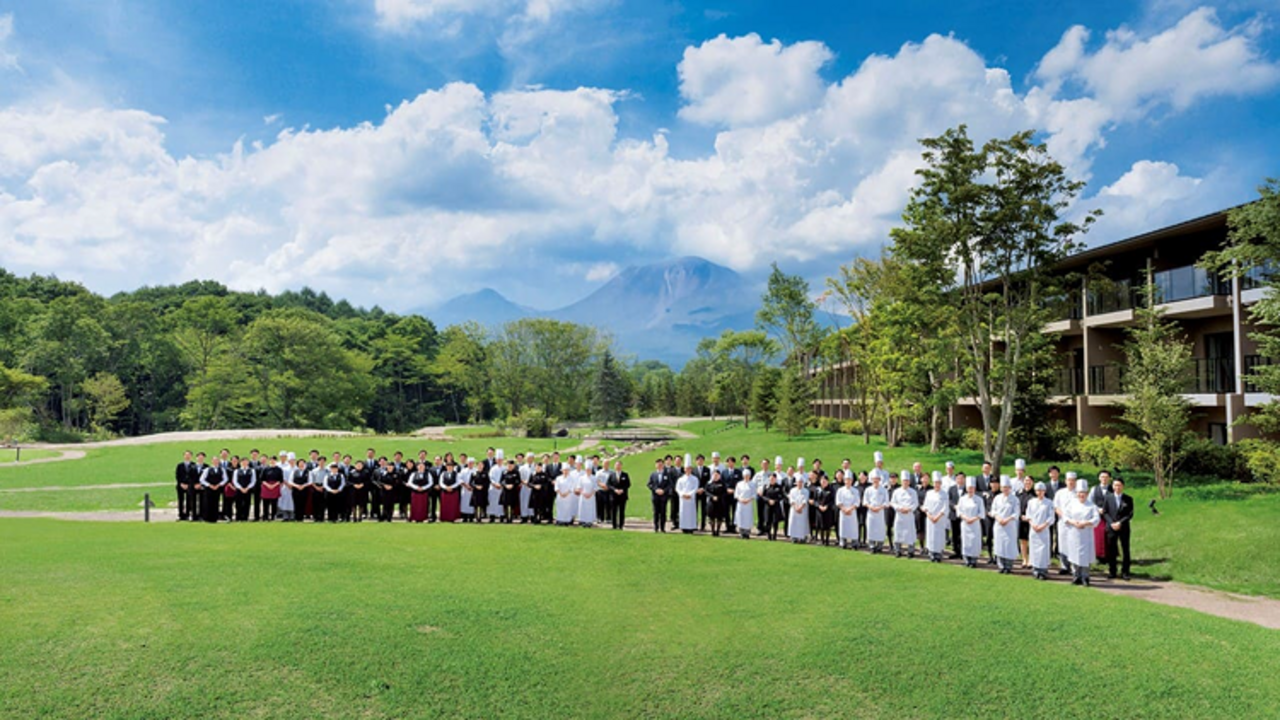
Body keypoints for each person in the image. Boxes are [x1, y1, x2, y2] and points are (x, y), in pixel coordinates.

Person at [1065, 480, 1101, 586]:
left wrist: (1086, 523)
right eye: (1080, 493)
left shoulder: (1091, 506)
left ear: (1087, 494)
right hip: (1074, 533)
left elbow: (1096, 519)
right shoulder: (1072, 504)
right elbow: (1066, 516)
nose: (1081, 495)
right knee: (1074, 555)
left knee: (1085, 556)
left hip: (1086, 534)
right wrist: (1073, 522)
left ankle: (1085, 577)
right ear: (1077, 494)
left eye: (1083, 493)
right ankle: (1076, 576)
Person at [1103, 477, 1134, 580]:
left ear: (1123, 486)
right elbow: (1105, 512)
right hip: (1111, 527)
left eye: (1119, 485)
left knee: (1125, 550)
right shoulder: (1108, 498)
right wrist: (1112, 523)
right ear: (1112, 486)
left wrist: (1120, 522)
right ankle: (1112, 571)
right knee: (1111, 550)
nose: (1117, 487)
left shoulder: (1128, 499)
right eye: (1115, 485)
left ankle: (1125, 572)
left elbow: (1130, 514)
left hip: (1123, 527)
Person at [1024, 482, 1055, 580]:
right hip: (1033, 530)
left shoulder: (1049, 502)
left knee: (1043, 550)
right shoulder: (1031, 502)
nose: (1039, 492)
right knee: (1034, 550)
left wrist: (1043, 525)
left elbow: (1051, 517)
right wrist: (1033, 525)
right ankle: (1035, 570)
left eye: (1041, 490)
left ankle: (1043, 571)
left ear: (1044, 491)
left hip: (1044, 530)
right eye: (1037, 490)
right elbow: (1028, 515)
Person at [990, 476, 1020, 574]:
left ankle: (1008, 566)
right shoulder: (997, 498)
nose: (1005, 489)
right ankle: (1001, 566)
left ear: (1010, 488)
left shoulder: (1015, 499)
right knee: (999, 545)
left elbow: (1016, 513)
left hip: (1009, 525)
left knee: (1008, 545)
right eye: (1003, 487)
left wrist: (1007, 519)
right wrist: (998, 518)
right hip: (999, 525)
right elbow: (993, 510)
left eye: (1007, 487)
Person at [957, 478, 985, 568]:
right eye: (969, 488)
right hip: (965, 524)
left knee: (974, 542)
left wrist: (973, 519)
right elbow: (959, 511)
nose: (970, 490)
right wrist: (965, 518)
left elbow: (982, 513)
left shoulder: (979, 500)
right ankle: (966, 560)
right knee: (966, 542)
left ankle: (974, 560)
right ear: (966, 488)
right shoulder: (962, 499)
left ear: (975, 488)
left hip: (975, 524)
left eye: (972, 488)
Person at [1054, 471, 1078, 574]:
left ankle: (1074, 567)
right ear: (1065, 481)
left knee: (1074, 544)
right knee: (1063, 544)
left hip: (1074, 523)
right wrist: (1064, 517)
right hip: (1062, 522)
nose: (1071, 482)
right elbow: (1056, 507)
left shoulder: (1079, 492)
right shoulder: (1060, 493)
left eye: (1073, 480)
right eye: (1069, 480)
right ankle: (1064, 566)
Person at [890, 471, 918, 557]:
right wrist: (899, 508)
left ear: (909, 482)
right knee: (898, 532)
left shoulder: (913, 492)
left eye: (907, 481)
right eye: (904, 481)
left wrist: (909, 509)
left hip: (909, 515)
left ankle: (910, 551)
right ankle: (897, 550)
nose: (905, 482)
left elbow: (915, 503)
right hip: (899, 515)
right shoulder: (896, 492)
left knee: (910, 533)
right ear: (901, 481)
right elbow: (892, 502)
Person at [922, 474, 949, 562]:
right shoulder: (929, 493)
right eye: (935, 483)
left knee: (939, 536)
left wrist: (938, 517)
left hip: (939, 519)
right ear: (933, 483)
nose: (937, 484)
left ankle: (938, 554)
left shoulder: (944, 494)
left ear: (941, 483)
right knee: (930, 536)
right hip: (930, 518)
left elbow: (945, 507)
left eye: (938, 483)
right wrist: (929, 515)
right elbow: (925, 505)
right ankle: (931, 554)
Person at [863, 472, 888, 553]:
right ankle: (872, 545)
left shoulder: (884, 490)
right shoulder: (868, 490)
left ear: (880, 480)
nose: (875, 481)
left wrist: (879, 507)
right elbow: (865, 501)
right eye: (874, 479)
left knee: (880, 528)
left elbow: (886, 502)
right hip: (871, 512)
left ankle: (880, 545)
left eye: (877, 479)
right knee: (871, 528)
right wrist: (871, 507)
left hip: (880, 512)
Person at [836, 472, 860, 550]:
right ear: (844, 480)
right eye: (846, 480)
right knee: (843, 527)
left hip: (852, 512)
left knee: (853, 527)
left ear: (852, 480)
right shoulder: (840, 490)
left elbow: (857, 502)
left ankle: (854, 543)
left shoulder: (855, 491)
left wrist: (850, 509)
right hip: (843, 512)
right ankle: (843, 542)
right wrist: (844, 509)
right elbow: (838, 501)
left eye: (849, 479)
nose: (848, 481)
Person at [198, 459, 227, 523]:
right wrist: (209, 485)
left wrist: (219, 485)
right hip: (208, 489)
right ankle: (207, 517)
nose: (215, 462)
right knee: (208, 503)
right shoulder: (207, 469)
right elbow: (202, 479)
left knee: (216, 503)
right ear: (212, 462)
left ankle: (215, 517)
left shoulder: (222, 470)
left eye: (217, 461)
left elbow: (225, 479)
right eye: (214, 461)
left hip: (217, 488)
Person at [676, 455, 699, 534]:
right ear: (684, 469)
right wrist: (683, 494)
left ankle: (691, 527)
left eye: (689, 468)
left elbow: (695, 488)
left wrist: (690, 494)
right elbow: (678, 488)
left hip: (691, 499)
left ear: (691, 469)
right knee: (683, 512)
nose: (688, 470)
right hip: (683, 499)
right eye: (686, 469)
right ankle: (683, 527)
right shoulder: (680, 479)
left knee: (691, 513)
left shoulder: (695, 479)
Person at [811, 473, 834, 546]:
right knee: (820, 526)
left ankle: (827, 540)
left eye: (825, 481)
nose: (823, 482)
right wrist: (818, 506)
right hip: (819, 510)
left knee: (827, 526)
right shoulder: (817, 489)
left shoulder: (831, 490)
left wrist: (827, 506)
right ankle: (822, 540)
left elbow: (833, 500)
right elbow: (814, 500)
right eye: (822, 481)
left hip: (828, 510)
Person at [647, 459, 670, 533]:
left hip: (664, 497)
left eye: (661, 464)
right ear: (655, 465)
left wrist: (664, 490)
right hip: (655, 496)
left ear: (663, 465)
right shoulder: (653, 474)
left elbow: (670, 485)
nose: (659, 466)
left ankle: (662, 528)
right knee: (656, 512)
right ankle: (656, 527)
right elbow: (649, 484)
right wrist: (655, 489)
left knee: (663, 512)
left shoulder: (667, 474)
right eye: (658, 464)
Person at [1017, 471, 1035, 568]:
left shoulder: (1035, 494)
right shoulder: (1019, 493)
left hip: (1032, 520)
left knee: (1031, 540)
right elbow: (1016, 506)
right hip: (1021, 519)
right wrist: (1020, 516)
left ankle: (1031, 560)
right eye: (1026, 481)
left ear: (1032, 482)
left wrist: (1029, 517)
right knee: (1023, 540)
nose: (1027, 483)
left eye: (1029, 481)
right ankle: (1024, 559)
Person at [761, 470, 784, 541]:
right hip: (767, 506)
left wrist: (775, 501)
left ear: (775, 479)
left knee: (775, 521)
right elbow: (763, 496)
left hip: (776, 506)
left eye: (773, 479)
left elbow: (781, 496)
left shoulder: (779, 487)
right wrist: (768, 500)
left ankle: (775, 535)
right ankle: (769, 535)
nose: (772, 480)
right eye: (770, 479)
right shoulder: (766, 486)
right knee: (768, 521)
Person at [175, 451, 199, 521]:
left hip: (190, 486)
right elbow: (177, 476)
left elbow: (195, 476)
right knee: (181, 500)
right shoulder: (180, 465)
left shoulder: (194, 465)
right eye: (186, 455)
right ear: (184, 456)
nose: (187, 456)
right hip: (181, 485)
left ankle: (188, 514)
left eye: (189, 455)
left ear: (191, 456)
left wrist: (189, 484)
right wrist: (181, 483)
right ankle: (181, 515)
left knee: (189, 500)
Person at [734, 469, 757, 540]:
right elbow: (736, 494)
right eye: (745, 476)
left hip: (748, 503)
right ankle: (741, 532)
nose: (746, 477)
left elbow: (754, 494)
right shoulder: (739, 484)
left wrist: (748, 499)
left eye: (748, 476)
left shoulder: (752, 484)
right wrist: (741, 499)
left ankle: (747, 533)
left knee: (748, 518)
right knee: (741, 517)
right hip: (740, 503)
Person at [232, 458, 256, 522]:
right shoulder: (236, 471)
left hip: (248, 490)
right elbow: (235, 481)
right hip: (239, 490)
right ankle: (238, 517)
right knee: (238, 503)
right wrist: (241, 488)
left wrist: (247, 488)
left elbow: (253, 481)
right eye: (243, 462)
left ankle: (245, 517)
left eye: (246, 462)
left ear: (248, 463)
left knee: (247, 503)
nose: (244, 463)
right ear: (240, 463)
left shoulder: (252, 470)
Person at [608, 460, 630, 530]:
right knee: (614, 511)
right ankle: (614, 525)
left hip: (622, 496)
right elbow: (608, 484)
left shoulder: (625, 475)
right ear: (614, 466)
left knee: (621, 511)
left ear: (621, 466)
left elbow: (628, 484)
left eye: (619, 465)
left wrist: (622, 490)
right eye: (616, 465)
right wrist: (614, 490)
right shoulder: (612, 475)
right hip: (614, 496)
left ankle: (621, 525)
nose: (618, 466)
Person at [947, 471, 965, 559]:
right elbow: (949, 500)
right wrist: (954, 506)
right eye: (958, 478)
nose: (960, 480)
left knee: (962, 533)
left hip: (964, 515)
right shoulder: (951, 489)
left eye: (962, 478)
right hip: (953, 514)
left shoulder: (967, 489)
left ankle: (963, 551)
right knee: (954, 533)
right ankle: (956, 551)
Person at [259, 456, 282, 521]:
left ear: (276, 461)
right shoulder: (265, 469)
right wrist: (268, 485)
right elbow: (261, 479)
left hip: (275, 486)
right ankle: (265, 516)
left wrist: (273, 485)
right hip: (266, 486)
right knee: (265, 503)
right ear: (269, 461)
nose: (272, 461)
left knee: (274, 503)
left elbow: (280, 480)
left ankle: (273, 516)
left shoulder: (279, 469)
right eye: (271, 460)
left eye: (274, 460)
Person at [787, 480, 810, 544]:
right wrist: (795, 507)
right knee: (793, 522)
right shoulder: (792, 490)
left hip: (803, 509)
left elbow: (805, 500)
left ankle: (802, 538)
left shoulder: (806, 491)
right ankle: (794, 537)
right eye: (798, 482)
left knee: (802, 523)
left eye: (801, 482)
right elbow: (791, 499)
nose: (799, 484)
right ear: (796, 483)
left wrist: (800, 507)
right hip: (794, 509)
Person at [705, 470, 727, 537]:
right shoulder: (709, 483)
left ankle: (717, 531)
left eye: (717, 475)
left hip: (720, 503)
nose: (715, 476)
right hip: (711, 503)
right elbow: (706, 491)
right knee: (711, 517)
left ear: (719, 476)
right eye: (714, 475)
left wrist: (718, 497)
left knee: (719, 518)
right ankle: (712, 531)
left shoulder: (722, 483)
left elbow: (724, 492)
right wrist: (712, 496)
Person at [577, 461, 598, 528]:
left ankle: (589, 522)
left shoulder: (594, 478)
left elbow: (595, 488)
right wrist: (583, 493)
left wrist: (590, 494)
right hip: (583, 496)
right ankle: (583, 521)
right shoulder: (581, 478)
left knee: (590, 508)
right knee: (583, 508)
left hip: (591, 496)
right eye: (587, 470)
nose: (588, 471)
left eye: (589, 470)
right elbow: (579, 487)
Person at [501, 459, 522, 524]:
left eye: (511, 465)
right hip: (505, 491)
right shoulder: (504, 472)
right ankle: (507, 517)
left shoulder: (516, 472)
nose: (509, 466)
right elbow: (501, 481)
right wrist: (505, 485)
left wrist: (513, 485)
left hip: (513, 491)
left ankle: (511, 518)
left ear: (513, 465)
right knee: (505, 505)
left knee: (512, 505)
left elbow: (518, 481)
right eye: (508, 465)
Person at [488, 450, 506, 524]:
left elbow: (506, 478)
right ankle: (492, 517)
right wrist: (495, 484)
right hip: (493, 488)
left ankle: (501, 517)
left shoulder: (505, 468)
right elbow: (490, 478)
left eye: (500, 459)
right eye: (498, 459)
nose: (499, 461)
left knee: (500, 504)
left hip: (501, 488)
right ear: (496, 460)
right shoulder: (493, 468)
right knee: (492, 502)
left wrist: (501, 485)